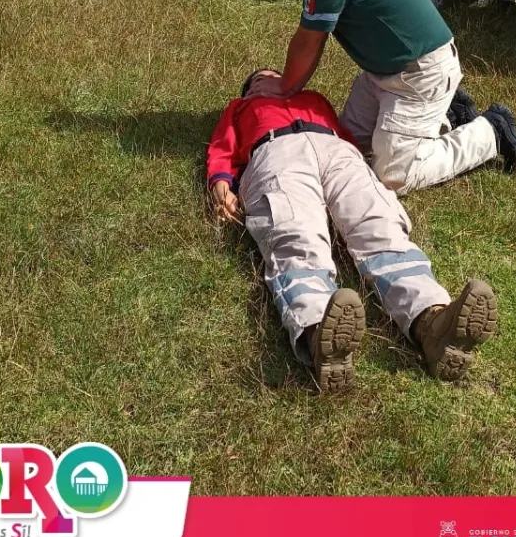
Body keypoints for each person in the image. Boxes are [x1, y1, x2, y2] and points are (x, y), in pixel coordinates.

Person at [207, 69, 499, 390]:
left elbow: (348, 131)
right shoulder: (239, 108)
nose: (271, 78)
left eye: (277, 74)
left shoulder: (315, 99)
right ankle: (318, 332)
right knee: (294, 233)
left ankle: (432, 320)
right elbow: (222, 147)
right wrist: (221, 183)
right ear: (249, 91)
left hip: (339, 153)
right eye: (260, 78)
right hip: (275, 154)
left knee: (379, 225)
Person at [257, 0, 516, 194]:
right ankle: (446, 115)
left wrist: (284, 87)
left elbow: (309, 42)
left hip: (418, 73)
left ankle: (489, 131)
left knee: (392, 176)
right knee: (345, 147)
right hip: (384, 72)